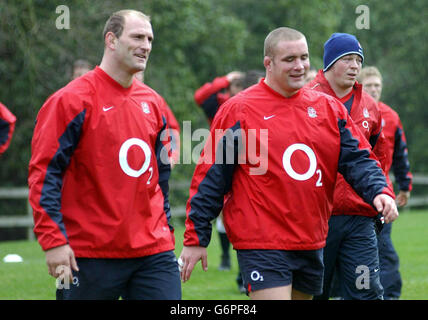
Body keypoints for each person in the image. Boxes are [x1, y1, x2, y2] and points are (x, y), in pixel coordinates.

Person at [178, 27, 398, 300]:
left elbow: (359, 158)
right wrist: (196, 237)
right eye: (290, 59)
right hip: (262, 241)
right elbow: (211, 176)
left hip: (311, 238)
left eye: (304, 58)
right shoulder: (240, 110)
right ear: (268, 63)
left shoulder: (328, 109)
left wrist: (380, 190)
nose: (300, 66)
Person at [28, 9, 181, 300]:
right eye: (137, 36)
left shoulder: (153, 102)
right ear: (111, 40)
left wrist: (166, 228)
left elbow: (161, 177)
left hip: (154, 252)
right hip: (88, 254)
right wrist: (53, 241)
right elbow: (44, 176)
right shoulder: (69, 101)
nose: (146, 45)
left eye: (150, 38)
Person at [307, 33, 390, 300]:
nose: (355, 65)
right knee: (313, 292)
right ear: (330, 63)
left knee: (366, 291)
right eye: (347, 59)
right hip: (317, 218)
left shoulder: (370, 106)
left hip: (360, 218)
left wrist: (380, 194)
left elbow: (377, 157)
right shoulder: (305, 99)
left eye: (358, 59)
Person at [359, 66, 413, 299]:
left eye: (377, 85)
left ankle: (390, 294)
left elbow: (400, 153)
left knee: (383, 247)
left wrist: (405, 186)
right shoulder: (347, 111)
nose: (374, 89)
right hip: (353, 195)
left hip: (383, 194)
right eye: (369, 85)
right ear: (359, 86)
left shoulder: (390, 116)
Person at [135, 71, 181, 167]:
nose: (136, 76)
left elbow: (172, 129)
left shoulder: (155, 100)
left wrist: (172, 157)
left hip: (151, 171)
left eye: (139, 72)